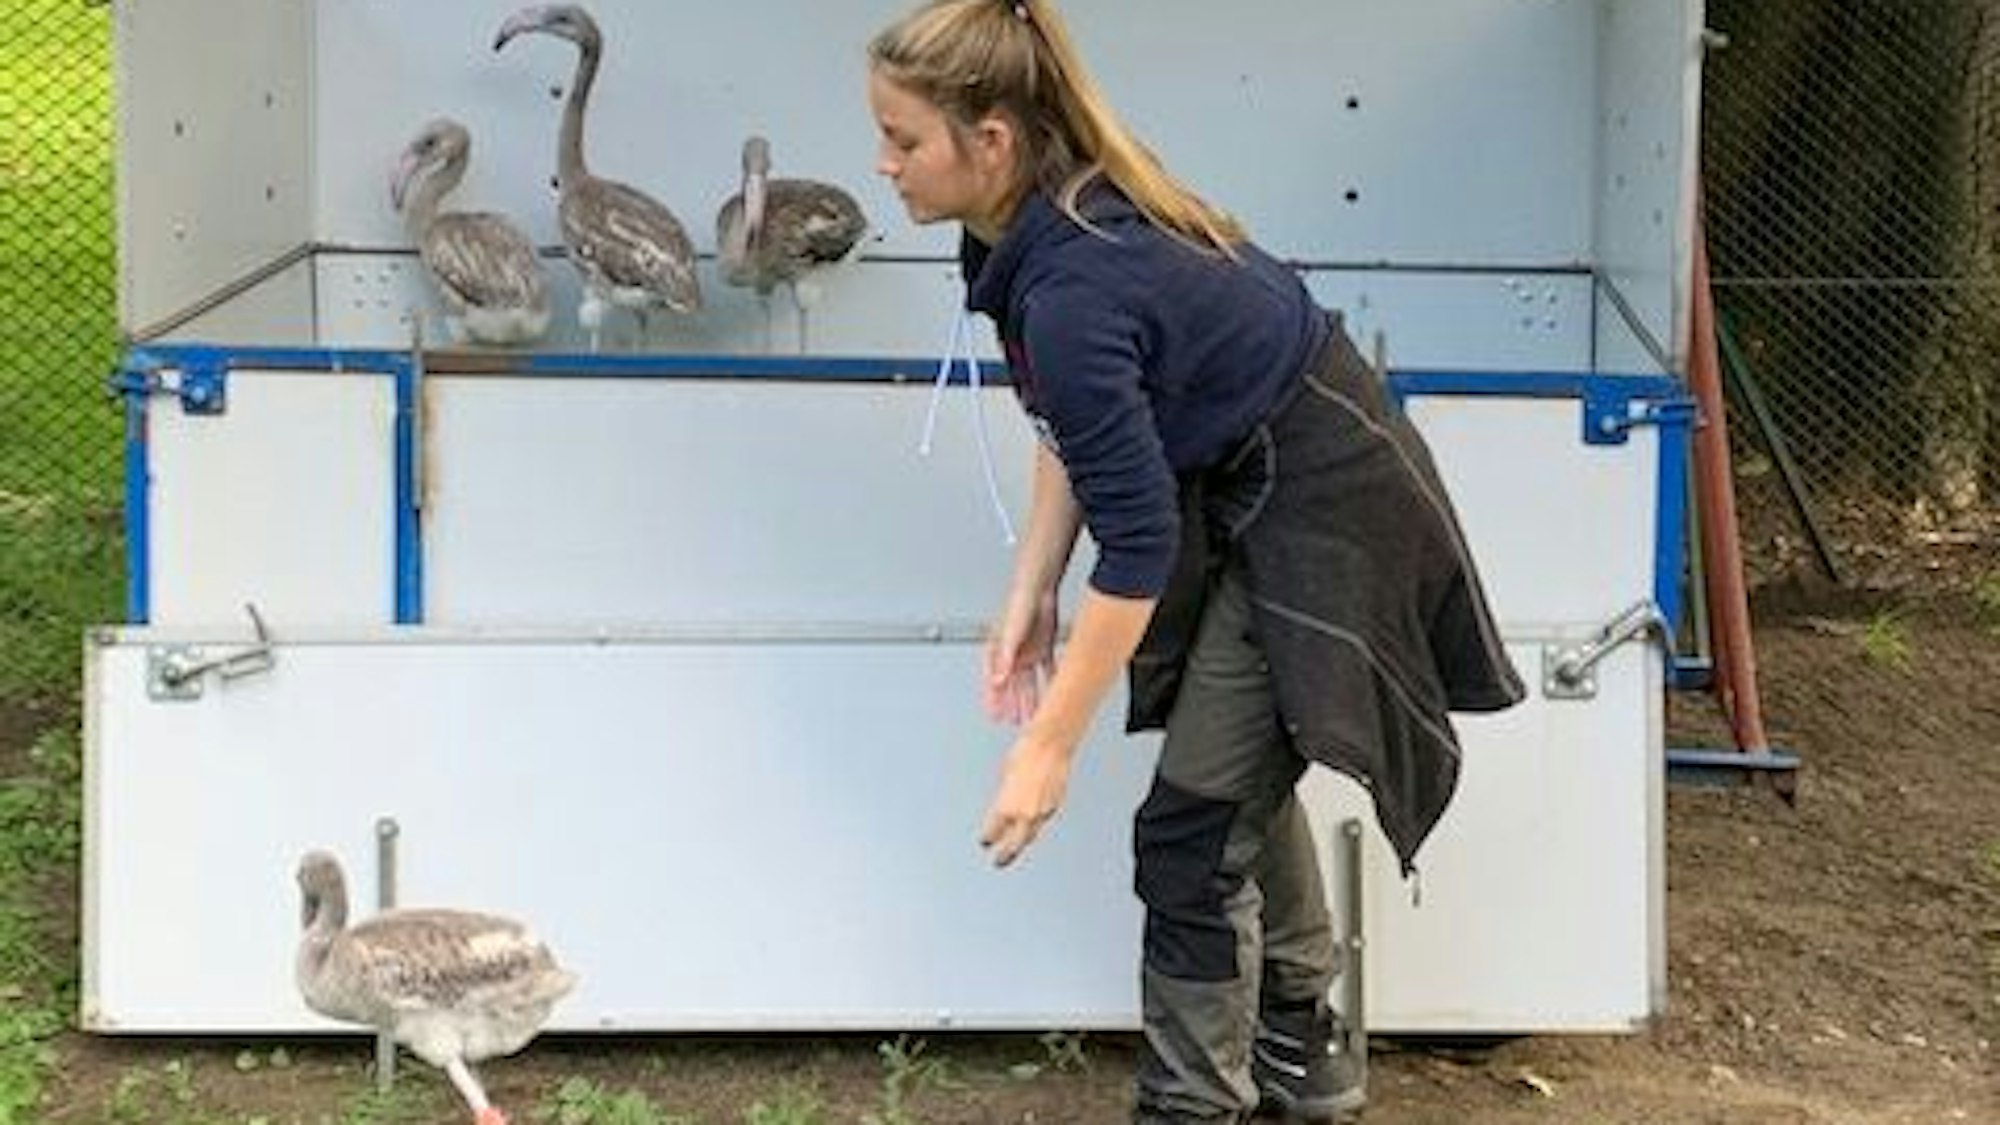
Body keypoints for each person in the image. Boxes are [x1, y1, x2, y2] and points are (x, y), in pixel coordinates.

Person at [865, 3, 1526, 1121]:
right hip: (1254, 482)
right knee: (1220, 782)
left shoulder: (1075, 280)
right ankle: (1304, 1060)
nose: (881, 165)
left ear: (991, 142)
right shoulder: (1026, 226)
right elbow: (1072, 432)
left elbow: (1136, 544)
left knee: (1185, 833)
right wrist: (1028, 590)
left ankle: (1191, 1103)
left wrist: (1047, 747)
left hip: (1327, 509)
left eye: (902, 139)